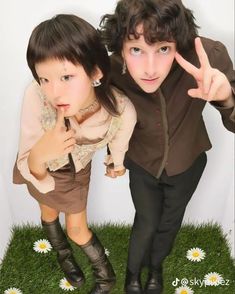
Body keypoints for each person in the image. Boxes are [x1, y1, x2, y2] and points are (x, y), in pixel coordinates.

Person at [99, 0, 235, 293]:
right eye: (136, 49)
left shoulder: (207, 57)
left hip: (188, 162)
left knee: (170, 223)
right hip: (142, 163)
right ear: (121, 46)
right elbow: (107, 116)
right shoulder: (109, 69)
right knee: (146, 222)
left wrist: (226, 98)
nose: (150, 68)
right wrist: (111, 154)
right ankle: (132, 275)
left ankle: (155, 269)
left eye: (163, 49)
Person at [13, 14, 136, 294]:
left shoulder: (121, 109)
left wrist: (116, 163)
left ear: (95, 72)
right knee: (47, 211)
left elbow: (119, 142)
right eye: (44, 78)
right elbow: (28, 162)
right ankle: (64, 256)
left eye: (66, 76)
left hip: (76, 173)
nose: (54, 91)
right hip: (37, 167)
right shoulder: (35, 95)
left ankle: (105, 277)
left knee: (77, 229)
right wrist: (43, 151)